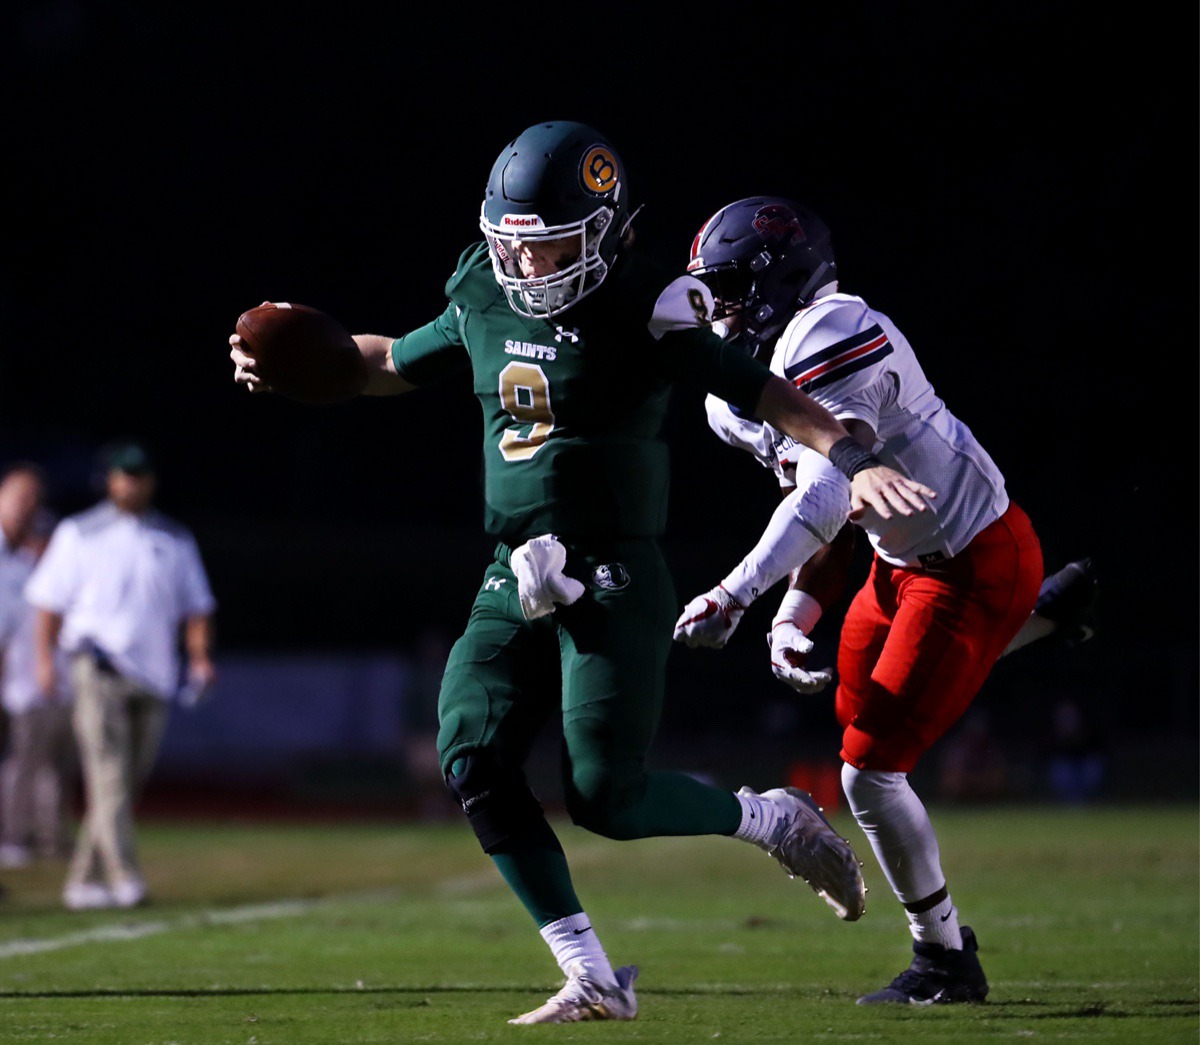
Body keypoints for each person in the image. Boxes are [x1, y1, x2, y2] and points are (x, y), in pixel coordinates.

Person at [230, 121, 938, 1025]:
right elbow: (387, 363)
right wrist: (302, 367)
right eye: (514, 248)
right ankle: (591, 973)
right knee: (470, 751)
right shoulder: (486, 291)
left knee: (608, 796)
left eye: (551, 247)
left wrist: (845, 448)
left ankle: (771, 819)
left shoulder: (647, 305)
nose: (528, 270)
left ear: (605, 233)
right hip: (512, 562)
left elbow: (763, 391)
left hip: (614, 570)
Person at [671, 195, 1058, 1006]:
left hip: (971, 560)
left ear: (783, 278)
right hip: (896, 564)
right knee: (853, 708)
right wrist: (792, 613)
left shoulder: (835, 329)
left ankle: (945, 956)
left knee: (870, 773)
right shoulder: (734, 396)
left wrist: (739, 594)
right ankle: (1042, 619)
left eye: (733, 285)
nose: (720, 306)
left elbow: (823, 494)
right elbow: (839, 513)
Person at [25, 441, 218, 910]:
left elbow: (196, 609)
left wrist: (199, 659)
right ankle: (124, 876)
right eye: (123, 474)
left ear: (151, 480)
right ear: (109, 480)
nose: (131, 483)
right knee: (108, 776)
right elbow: (48, 603)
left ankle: (82, 882)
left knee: (123, 786)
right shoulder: (79, 532)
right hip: (97, 666)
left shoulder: (173, 538)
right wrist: (45, 661)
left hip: (152, 675)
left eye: (139, 474)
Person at [0, 465, 76, 867]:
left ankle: (47, 836)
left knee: (55, 764)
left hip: (49, 682)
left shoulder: (37, 571)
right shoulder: (13, 566)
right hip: (22, 683)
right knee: (23, 761)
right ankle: (13, 836)